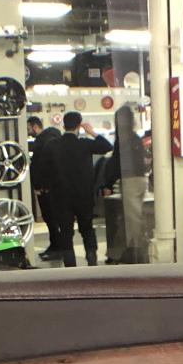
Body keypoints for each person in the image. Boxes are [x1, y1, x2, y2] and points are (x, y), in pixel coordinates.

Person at [50, 111, 112, 267]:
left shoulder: (54, 145)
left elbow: (44, 168)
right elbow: (107, 146)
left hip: (61, 195)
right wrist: (92, 132)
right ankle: (91, 258)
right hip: (84, 195)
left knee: (65, 231)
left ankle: (70, 264)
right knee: (87, 228)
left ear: (64, 125)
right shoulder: (85, 144)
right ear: (79, 126)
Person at [99, 105, 149, 264]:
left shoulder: (123, 138)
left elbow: (116, 162)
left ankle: (141, 255)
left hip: (130, 182)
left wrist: (108, 183)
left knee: (132, 222)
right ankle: (114, 254)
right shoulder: (135, 137)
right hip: (141, 180)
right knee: (127, 220)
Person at [28, 115, 61, 261]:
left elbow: (42, 165)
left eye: (29, 128)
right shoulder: (49, 140)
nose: (28, 132)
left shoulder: (44, 142)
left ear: (35, 126)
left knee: (51, 218)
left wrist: (40, 184)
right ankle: (55, 246)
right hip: (49, 186)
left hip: (46, 188)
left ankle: (57, 248)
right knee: (50, 218)